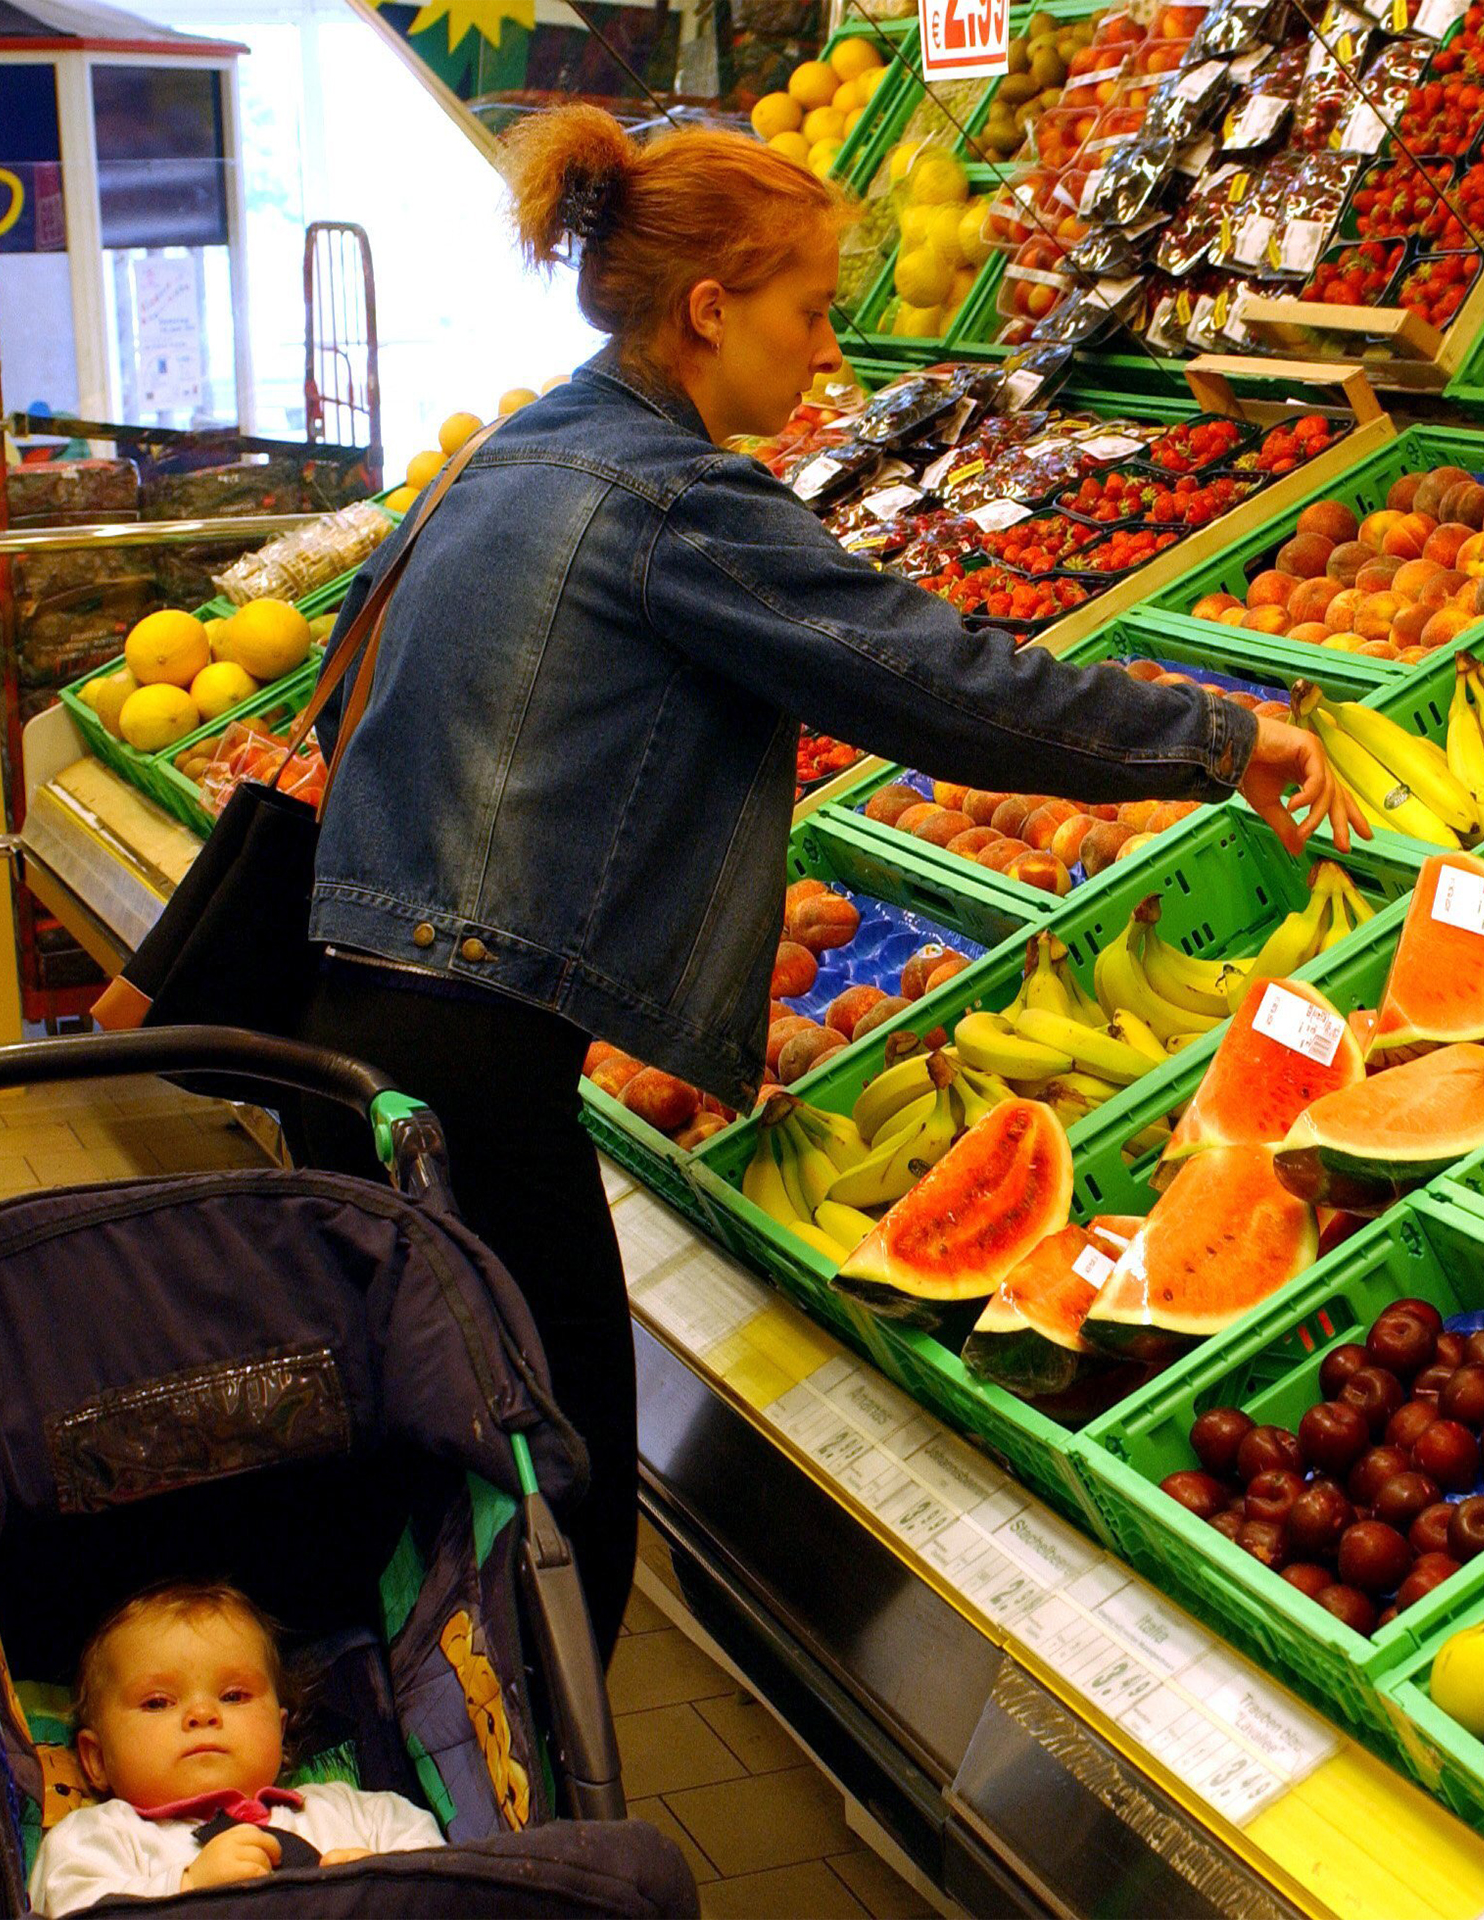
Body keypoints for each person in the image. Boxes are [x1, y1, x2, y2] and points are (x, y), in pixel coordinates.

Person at [285, 106, 1358, 1645]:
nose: (830, 355)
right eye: (810, 310)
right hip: (471, 1049)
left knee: (433, 1471)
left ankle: (442, 1793)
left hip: (366, 1014)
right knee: (557, 1495)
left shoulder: (527, 447)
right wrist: (1212, 736)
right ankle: (520, 1846)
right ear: (709, 309)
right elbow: (933, 680)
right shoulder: (675, 498)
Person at [30, 1582, 444, 1911]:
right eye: (158, 1702)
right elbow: (75, 1905)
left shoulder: (358, 1813)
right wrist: (187, 1888)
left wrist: (383, 1885)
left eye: (233, 1696)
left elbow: (450, 1880)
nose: (202, 1714)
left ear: (279, 1732)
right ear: (96, 1759)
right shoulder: (97, 1839)